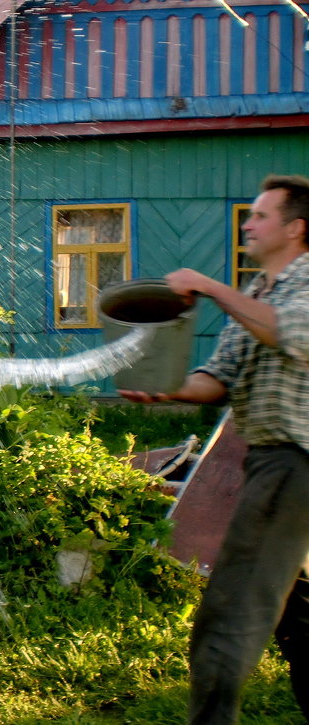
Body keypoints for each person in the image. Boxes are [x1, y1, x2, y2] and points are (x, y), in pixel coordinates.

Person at [119, 174, 309, 724]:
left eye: (260, 216)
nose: (248, 224)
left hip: (295, 464)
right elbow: (219, 377)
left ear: (296, 228)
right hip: (271, 464)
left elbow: (291, 334)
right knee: (302, 616)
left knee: (229, 616)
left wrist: (208, 286)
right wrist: (168, 386)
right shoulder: (256, 294)